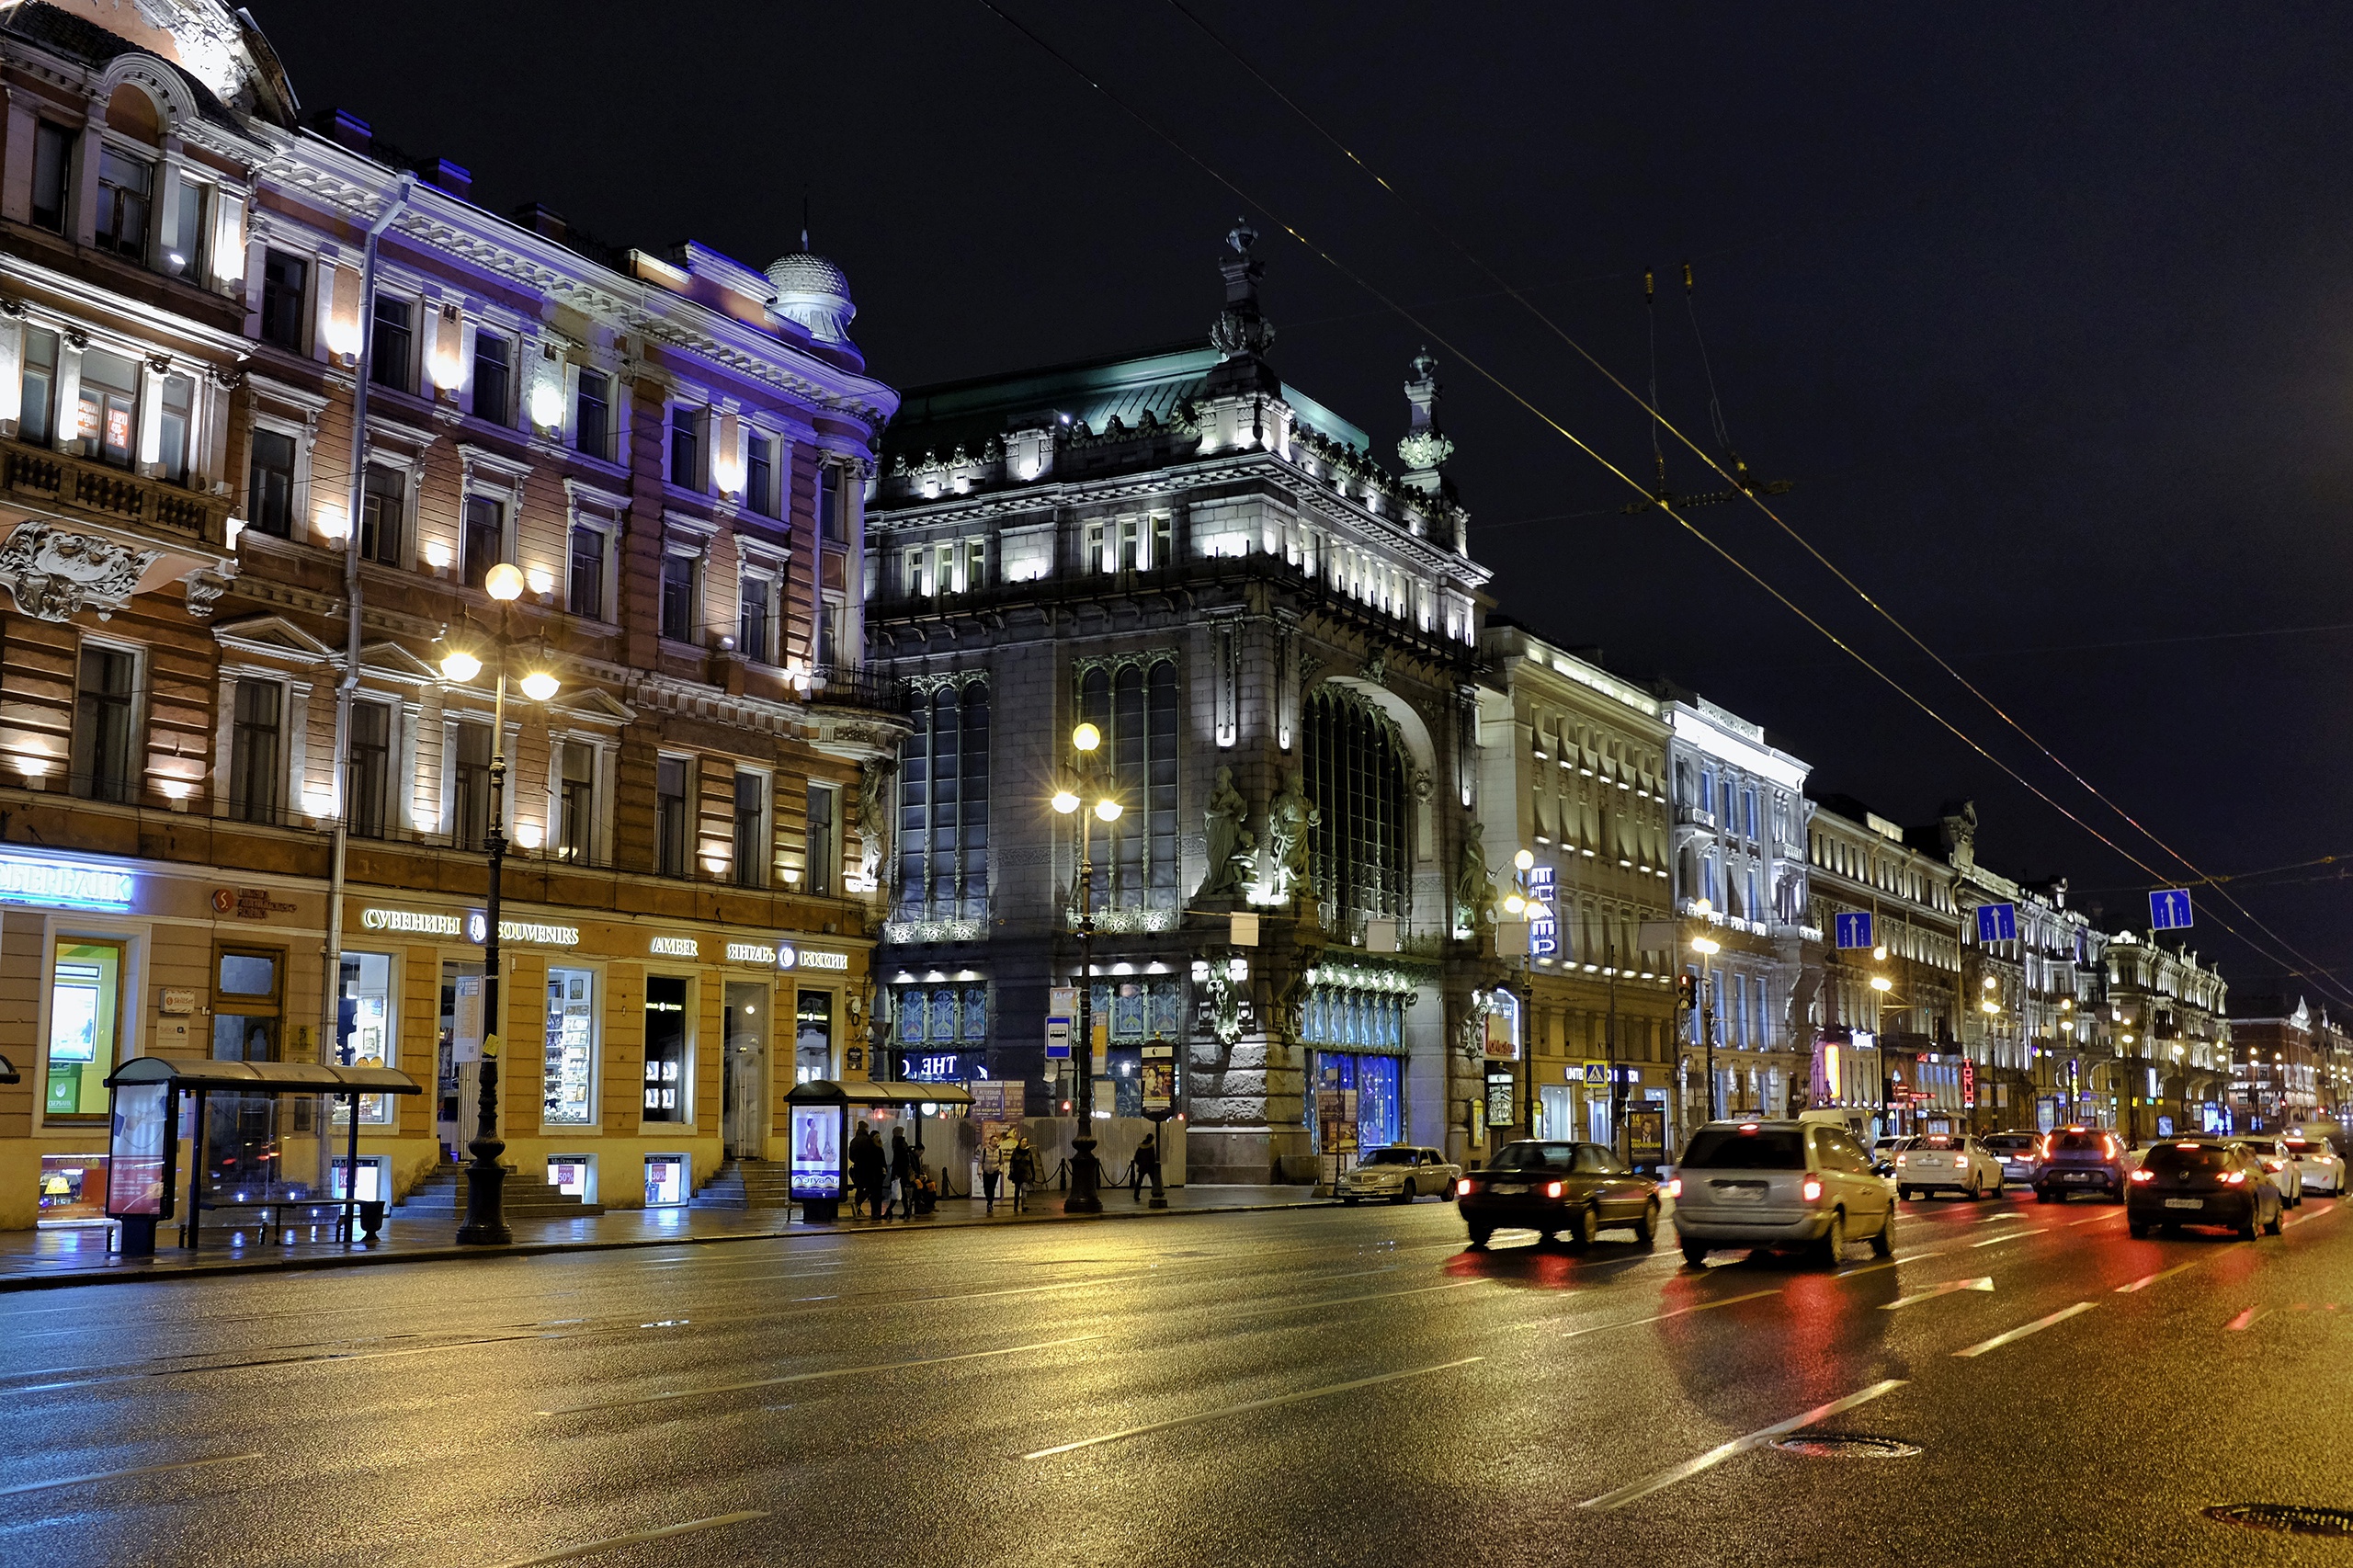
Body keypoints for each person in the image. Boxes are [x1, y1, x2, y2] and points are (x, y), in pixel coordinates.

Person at [888, 1127, 915, 1221]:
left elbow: (898, 1160)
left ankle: (889, 1211)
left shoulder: (898, 1144)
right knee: (900, 1192)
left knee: (896, 1191)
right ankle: (906, 1211)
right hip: (902, 1172)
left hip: (899, 1172)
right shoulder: (903, 1143)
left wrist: (896, 1173)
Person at [1009, 1133, 1038, 1214]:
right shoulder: (1016, 1152)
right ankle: (1015, 1205)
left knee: (1024, 1189)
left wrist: (1033, 1175)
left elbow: (1031, 1164)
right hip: (1017, 1174)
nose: (1024, 1143)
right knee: (1017, 1190)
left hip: (1026, 1174)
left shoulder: (1029, 1152)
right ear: (1020, 1142)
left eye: (1026, 1142)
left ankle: (1024, 1205)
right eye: (1023, 1141)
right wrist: (1011, 1172)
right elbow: (1012, 1163)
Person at [1131, 1132, 1158, 1199]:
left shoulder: (1141, 1147)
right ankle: (1155, 1193)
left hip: (1142, 1166)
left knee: (1139, 1181)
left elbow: (1136, 1157)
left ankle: (1136, 1195)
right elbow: (1153, 1158)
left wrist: (1139, 1163)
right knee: (1153, 1181)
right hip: (1150, 1167)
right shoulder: (1151, 1147)